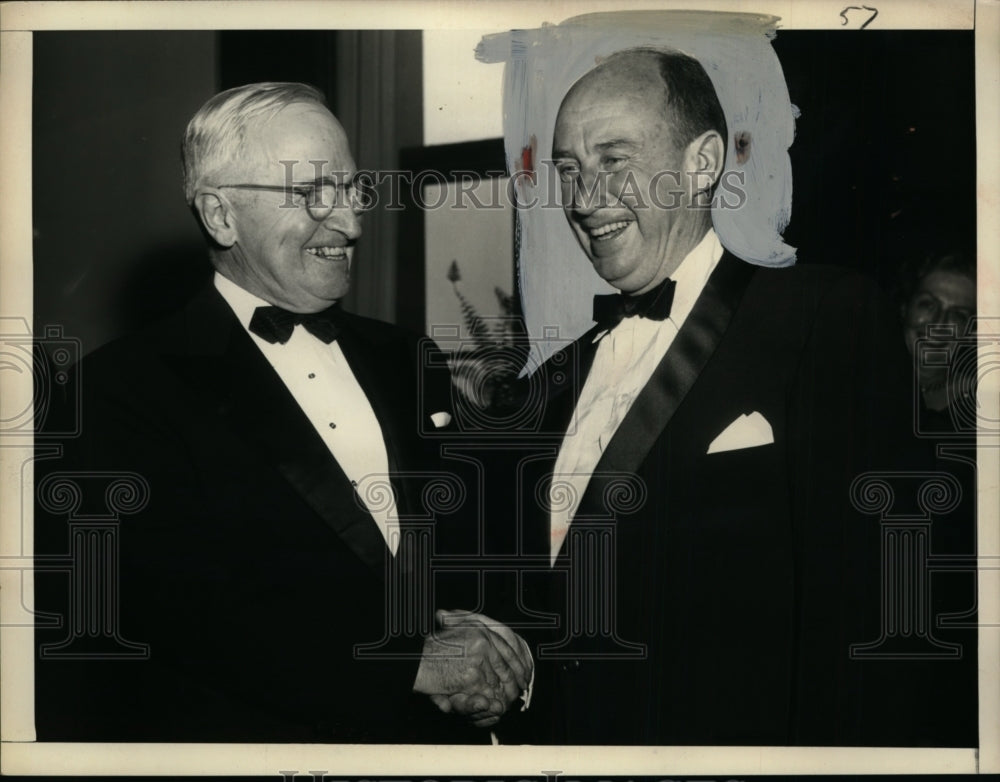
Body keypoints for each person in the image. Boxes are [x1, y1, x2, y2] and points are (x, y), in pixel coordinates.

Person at [495, 48, 976, 746]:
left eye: (613, 159)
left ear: (703, 161)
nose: (583, 197)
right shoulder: (547, 387)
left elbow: (877, 622)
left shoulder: (822, 317)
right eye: (569, 169)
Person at [33, 82, 530, 743]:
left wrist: (505, 647)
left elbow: (474, 540)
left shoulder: (407, 356)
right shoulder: (118, 391)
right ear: (220, 215)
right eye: (312, 193)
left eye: (352, 189)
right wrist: (407, 668)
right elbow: (173, 613)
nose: (351, 222)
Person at [898, 250, 977, 429]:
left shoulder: (984, 407)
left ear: (971, 331)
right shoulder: (857, 380)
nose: (939, 323)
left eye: (958, 314)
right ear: (904, 308)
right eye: (927, 304)